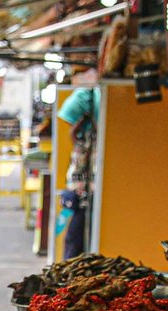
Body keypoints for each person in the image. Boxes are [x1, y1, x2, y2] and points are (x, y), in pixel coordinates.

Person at [56, 83, 99, 259]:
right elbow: (73, 134)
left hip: (84, 197)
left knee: (74, 239)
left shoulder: (92, 144)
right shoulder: (82, 142)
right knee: (73, 239)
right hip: (78, 196)